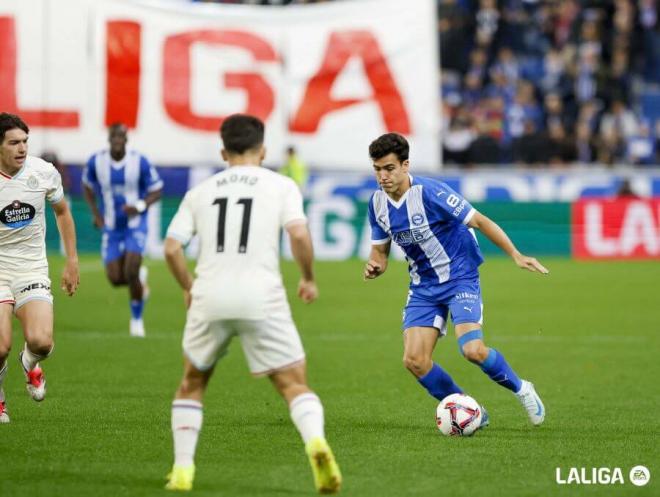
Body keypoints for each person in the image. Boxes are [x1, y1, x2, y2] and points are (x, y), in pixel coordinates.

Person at [163, 114, 341, 493]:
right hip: (263, 296)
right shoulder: (282, 185)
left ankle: (182, 470)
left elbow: (172, 247)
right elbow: (298, 234)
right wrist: (307, 277)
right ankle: (316, 443)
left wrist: (188, 286)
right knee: (294, 384)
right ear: (264, 149)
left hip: (209, 295)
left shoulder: (200, 191)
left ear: (222, 151)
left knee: (192, 384)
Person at [364, 133, 548, 428]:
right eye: (377, 169)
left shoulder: (431, 193)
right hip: (423, 287)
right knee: (414, 361)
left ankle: (522, 388)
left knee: (472, 350)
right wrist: (376, 265)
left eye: (389, 168)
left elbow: (480, 220)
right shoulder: (376, 204)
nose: (382, 176)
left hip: (460, 276)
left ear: (405, 165)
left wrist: (515, 254)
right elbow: (380, 252)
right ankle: (471, 410)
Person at [0, 113, 79, 424]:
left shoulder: (43, 172)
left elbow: (62, 213)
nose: (22, 148)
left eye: (25, 142)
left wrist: (71, 261)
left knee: (42, 341)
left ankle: (30, 362)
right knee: (0, 345)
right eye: (14, 143)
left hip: (31, 267)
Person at [82, 123, 163, 338]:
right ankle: (140, 282)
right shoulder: (96, 162)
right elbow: (87, 186)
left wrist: (138, 206)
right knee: (116, 279)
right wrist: (96, 215)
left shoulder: (140, 162)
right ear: (109, 139)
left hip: (135, 224)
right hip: (110, 226)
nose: (118, 140)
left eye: (122, 136)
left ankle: (136, 320)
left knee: (131, 268)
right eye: (114, 136)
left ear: (127, 139)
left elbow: (157, 189)